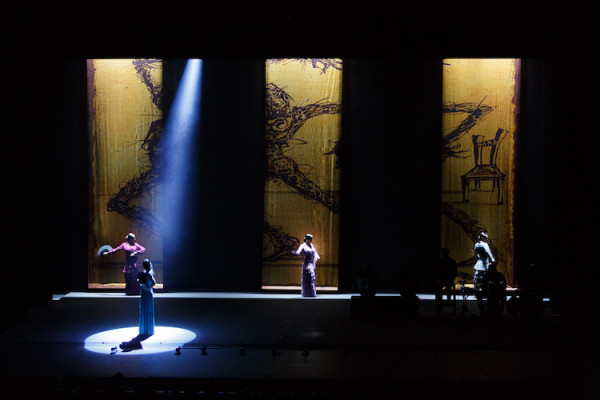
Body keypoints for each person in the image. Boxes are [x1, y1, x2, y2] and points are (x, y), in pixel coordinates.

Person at [473, 232, 495, 316]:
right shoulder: (485, 245)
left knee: (478, 282)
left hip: (478, 263)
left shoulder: (476, 245)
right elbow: (489, 254)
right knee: (485, 282)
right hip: (484, 265)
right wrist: (493, 261)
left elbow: (476, 256)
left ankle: (479, 295)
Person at [437, 248, 458, 314]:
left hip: (445, 280)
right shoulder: (451, 261)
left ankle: (439, 302)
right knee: (447, 286)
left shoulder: (441, 262)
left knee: (440, 288)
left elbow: (438, 272)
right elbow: (455, 273)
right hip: (449, 280)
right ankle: (448, 299)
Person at [138, 259, 156, 336]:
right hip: (144, 293)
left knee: (147, 309)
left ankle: (146, 330)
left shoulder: (149, 274)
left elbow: (154, 283)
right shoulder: (145, 273)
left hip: (147, 293)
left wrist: (149, 288)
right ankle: (145, 330)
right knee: (145, 309)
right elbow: (142, 282)